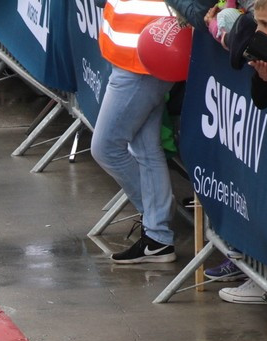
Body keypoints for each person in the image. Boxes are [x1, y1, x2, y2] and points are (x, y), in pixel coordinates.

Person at [94, 0, 214, 264]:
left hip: (144, 60)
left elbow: (197, 11)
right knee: (146, 148)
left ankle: (156, 217)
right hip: (140, 55)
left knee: (106, 148)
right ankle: (157, 236)